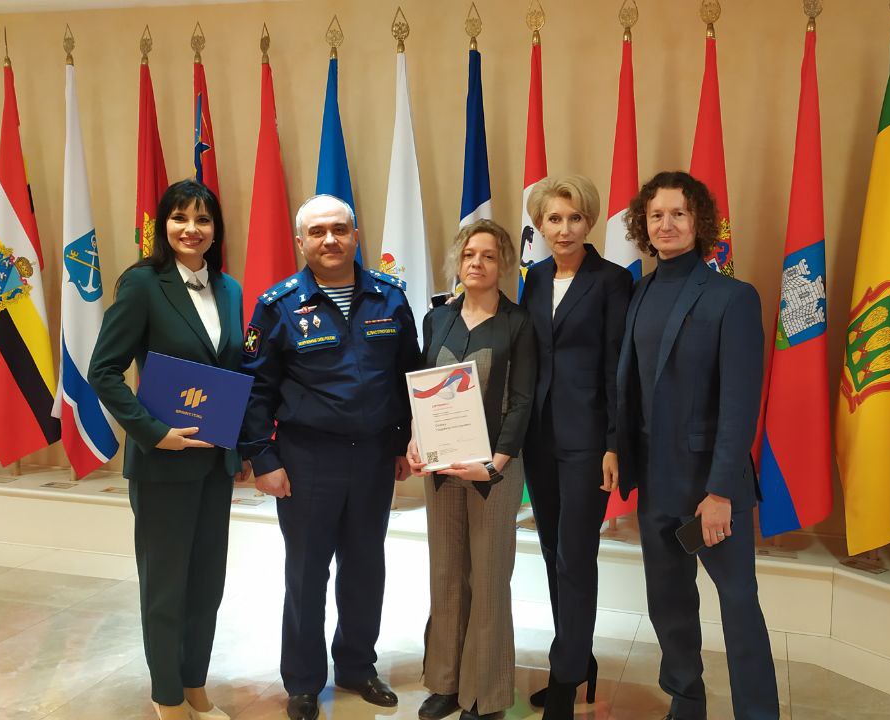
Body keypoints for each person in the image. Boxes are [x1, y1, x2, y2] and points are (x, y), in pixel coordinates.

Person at [238, 194, 419, 720]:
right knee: (306, 573)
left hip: (374, 457)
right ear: (302, 242)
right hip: (306, 458)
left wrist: (404, 441)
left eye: (340, 229)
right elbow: (256, 389)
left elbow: (408, 375)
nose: (330, 239)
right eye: (317, 232)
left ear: (356, 235)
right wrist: (263, 458)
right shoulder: (277, 305)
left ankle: (357, 666)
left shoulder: (389, 297)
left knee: (365, 567)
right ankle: (302, 681)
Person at [612, 171, 779, 720]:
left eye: (678, 214)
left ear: (699, 221)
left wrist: (721, 491)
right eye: (656, 215)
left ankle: (758, 713)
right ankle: (686, 700)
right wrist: (617, 448)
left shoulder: (733, 297)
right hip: (656, 483)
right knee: (669, 604)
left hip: (711, 489)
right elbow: (631, 387)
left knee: (739, 606)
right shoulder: (639, 293)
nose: (667, 224)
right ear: (644, 224)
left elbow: (740, 405)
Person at [89, 179, 246, 720]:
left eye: (203, 220)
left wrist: (242, 445)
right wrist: (154, 431)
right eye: (180, 218)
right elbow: (103, 371)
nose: (191, 229)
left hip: (215, 461)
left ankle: (195, 684)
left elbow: (232, 369)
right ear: (163, 226)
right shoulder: (142, 284)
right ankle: (168, 696)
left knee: (207, 583)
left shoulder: (229, 289)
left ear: (216, 230)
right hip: (163, 462)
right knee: (165, 586)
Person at [408, 219, 537, 720]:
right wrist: (416, 438)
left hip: (492, 471)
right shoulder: (436, 319)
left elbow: (522, 400)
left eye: (487, 255)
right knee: (445, 574)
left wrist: (496, 463)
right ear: (457, 262)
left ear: (502, 263)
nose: (476, 263)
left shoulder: (517, 323)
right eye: (468, 254)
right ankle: (445, 682)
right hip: (441, 468)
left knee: (487, 579)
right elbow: (421, 388)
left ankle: (485, 695)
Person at [518, 175, 632, 719]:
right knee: (550, 552)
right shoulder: (535, 278)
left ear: (590, 222)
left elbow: (618, 368)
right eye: (554, 219)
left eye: (574, 218)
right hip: (539, 439)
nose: (564, 229)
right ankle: (577, 657)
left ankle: (564, 679)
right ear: (540, 225)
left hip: (588, 442)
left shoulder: (612, 281)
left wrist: (614, 443)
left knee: (575, 557)